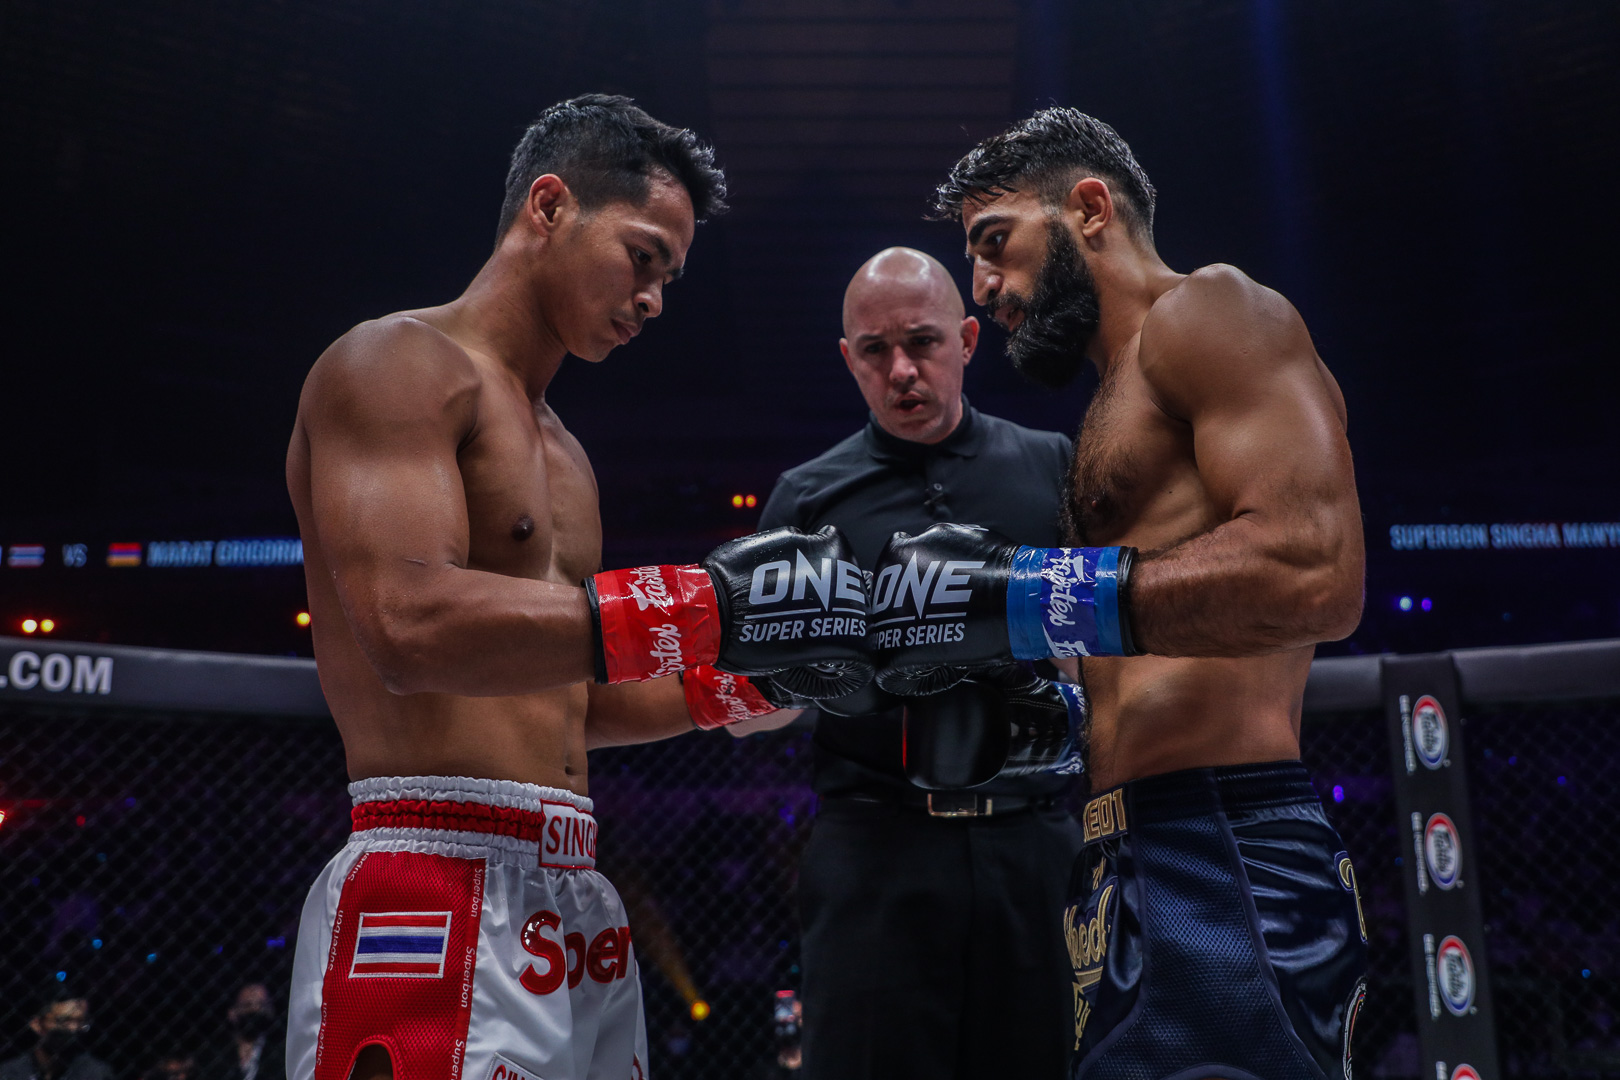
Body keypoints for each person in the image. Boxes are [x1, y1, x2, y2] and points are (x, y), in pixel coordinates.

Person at [284, 94, 868, 1080]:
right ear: (549, 206)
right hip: (432, 863)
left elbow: (566, 692)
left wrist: (728, 684)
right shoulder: (393, 366)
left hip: (575, 893)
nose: (654, 300)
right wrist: (696, 607)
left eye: (670, 278)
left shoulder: (566, 455)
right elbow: (408, 626)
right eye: (643, 257)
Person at [878, 107, 1370, 1079]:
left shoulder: (1216, 311)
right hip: (1121, 855)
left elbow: (1317, 571)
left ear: (1090, 209)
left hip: (1225, 843)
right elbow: (1144, 635)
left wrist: (1022, 595)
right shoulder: (1115, 399)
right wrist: (1054, 711)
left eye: (995, 242)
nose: (983, 286)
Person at [735, 247, 1083, 1079]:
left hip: (1032, 844)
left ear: (967, 339)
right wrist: (805, 670)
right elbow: (755, 709)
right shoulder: (804, 498)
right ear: (847, 358)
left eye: (922, 343)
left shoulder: (1051, 467)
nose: (900, 370)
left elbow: (1101, 656)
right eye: (874, 351)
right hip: (874, 851)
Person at [0, 982, 111, 1080]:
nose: (73, 1028)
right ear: (37, 1024)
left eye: (80, 1022)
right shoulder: (9, 1074)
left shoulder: (96, 1074)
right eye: (63, 1021)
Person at [198, 983, 282, 1080]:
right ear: (232, 1013)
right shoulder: (211, 1055)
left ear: (270, 1012)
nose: (255, 1009)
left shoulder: (282, 1054)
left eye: (262, 1005)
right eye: (247, 1005)